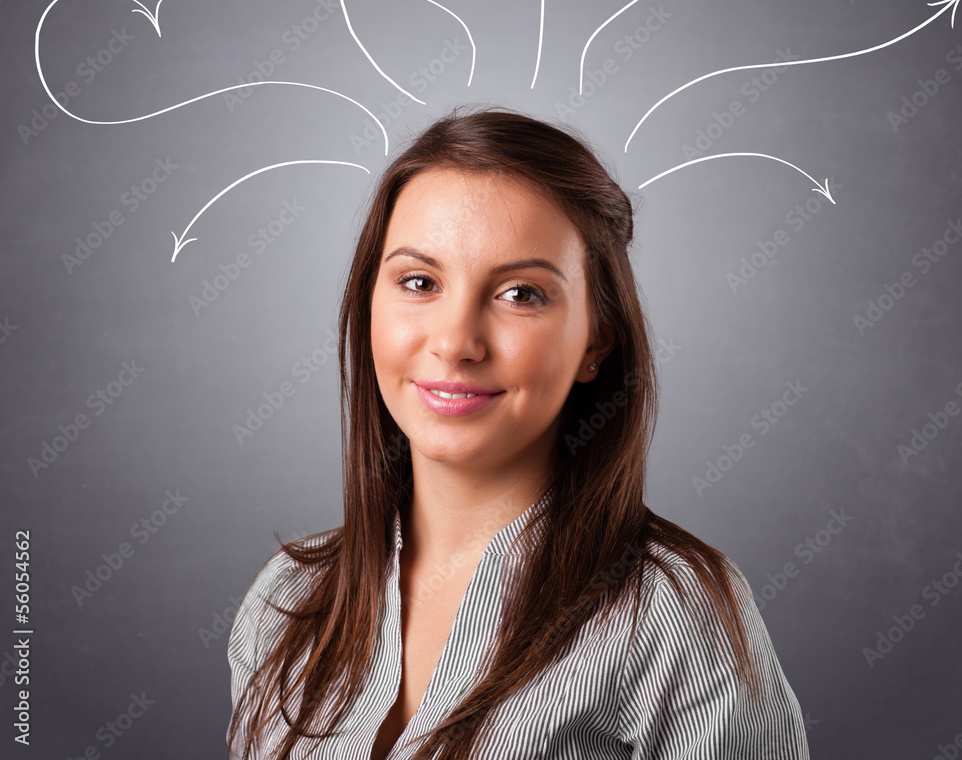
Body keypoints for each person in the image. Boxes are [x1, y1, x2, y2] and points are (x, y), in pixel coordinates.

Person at [226, 104, 810, 760]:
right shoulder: (285, 602)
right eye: (419, 282)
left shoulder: (672, 614)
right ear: (369, 306)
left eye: (521, 294)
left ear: (596, 342)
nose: (455, 342)